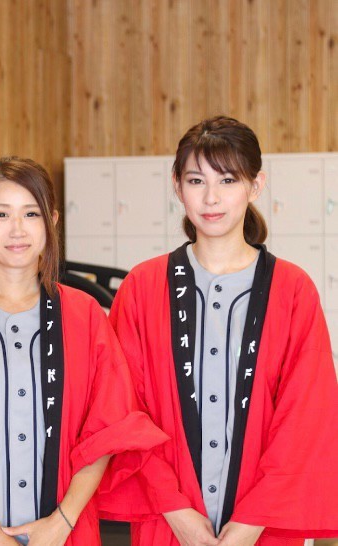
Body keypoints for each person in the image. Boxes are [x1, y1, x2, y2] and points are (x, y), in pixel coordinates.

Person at [107, 115, 338, 545]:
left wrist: (251, 522)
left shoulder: (292, 290)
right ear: (177, 186)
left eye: (228, 180)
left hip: (265, 528)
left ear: (256, 185)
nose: (211, 197)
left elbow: (305, 418)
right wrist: (176, 510)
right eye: (196, 181)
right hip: (167, 525)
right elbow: (122, 409)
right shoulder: (142, 288)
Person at [0, 156, 167, 545]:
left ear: (52, 221)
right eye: (1, 214)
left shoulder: (83, 314)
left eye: (31, 213)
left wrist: (62, 522)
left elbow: (107, 427)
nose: (17, 229)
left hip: (66, 533)